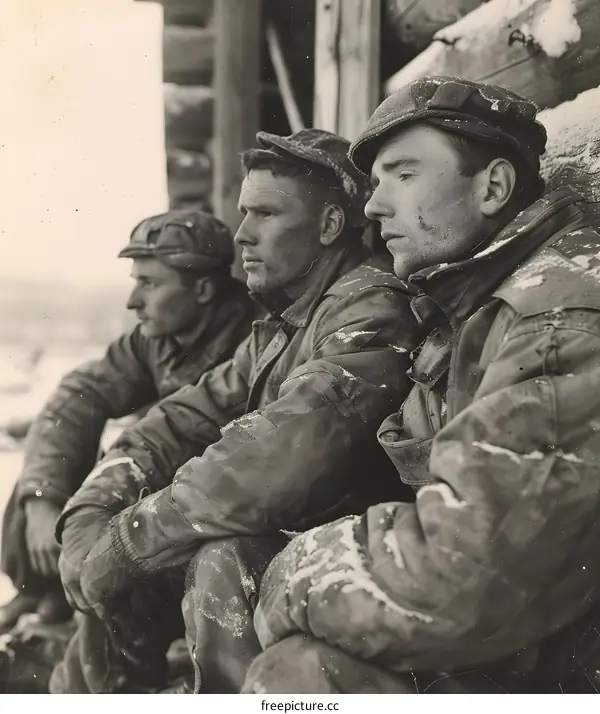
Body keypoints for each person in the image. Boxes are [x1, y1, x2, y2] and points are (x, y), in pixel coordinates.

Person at [241, 76, 600, 695]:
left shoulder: (555, 317)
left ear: (492, 188)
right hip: (528, 643)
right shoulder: (463, 310)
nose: (375, 206)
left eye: (403, 175)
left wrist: (292, 572)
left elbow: (464, 574)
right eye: (376, 182)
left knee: (297, 676)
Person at [50, 129, 421, 694]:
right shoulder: (284, 324)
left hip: (365, 571)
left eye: (266, 214)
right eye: (243, 213)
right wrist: (93, 514)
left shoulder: (371, 309)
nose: (243, 235)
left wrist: (127, 541)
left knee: (221, 556)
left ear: (328, 227)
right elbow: (177, 421)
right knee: (118, 573)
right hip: (310, 556)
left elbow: (276, 453)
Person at [0, 209, 258, 633]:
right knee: (60, 451)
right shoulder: (155, 339)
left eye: (150, 284)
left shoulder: (252, 338)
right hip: (168, 495)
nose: (132, 300)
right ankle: (39, 586)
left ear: (205, 289)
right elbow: (78, 398)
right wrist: (42, 499)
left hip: (205, 507)